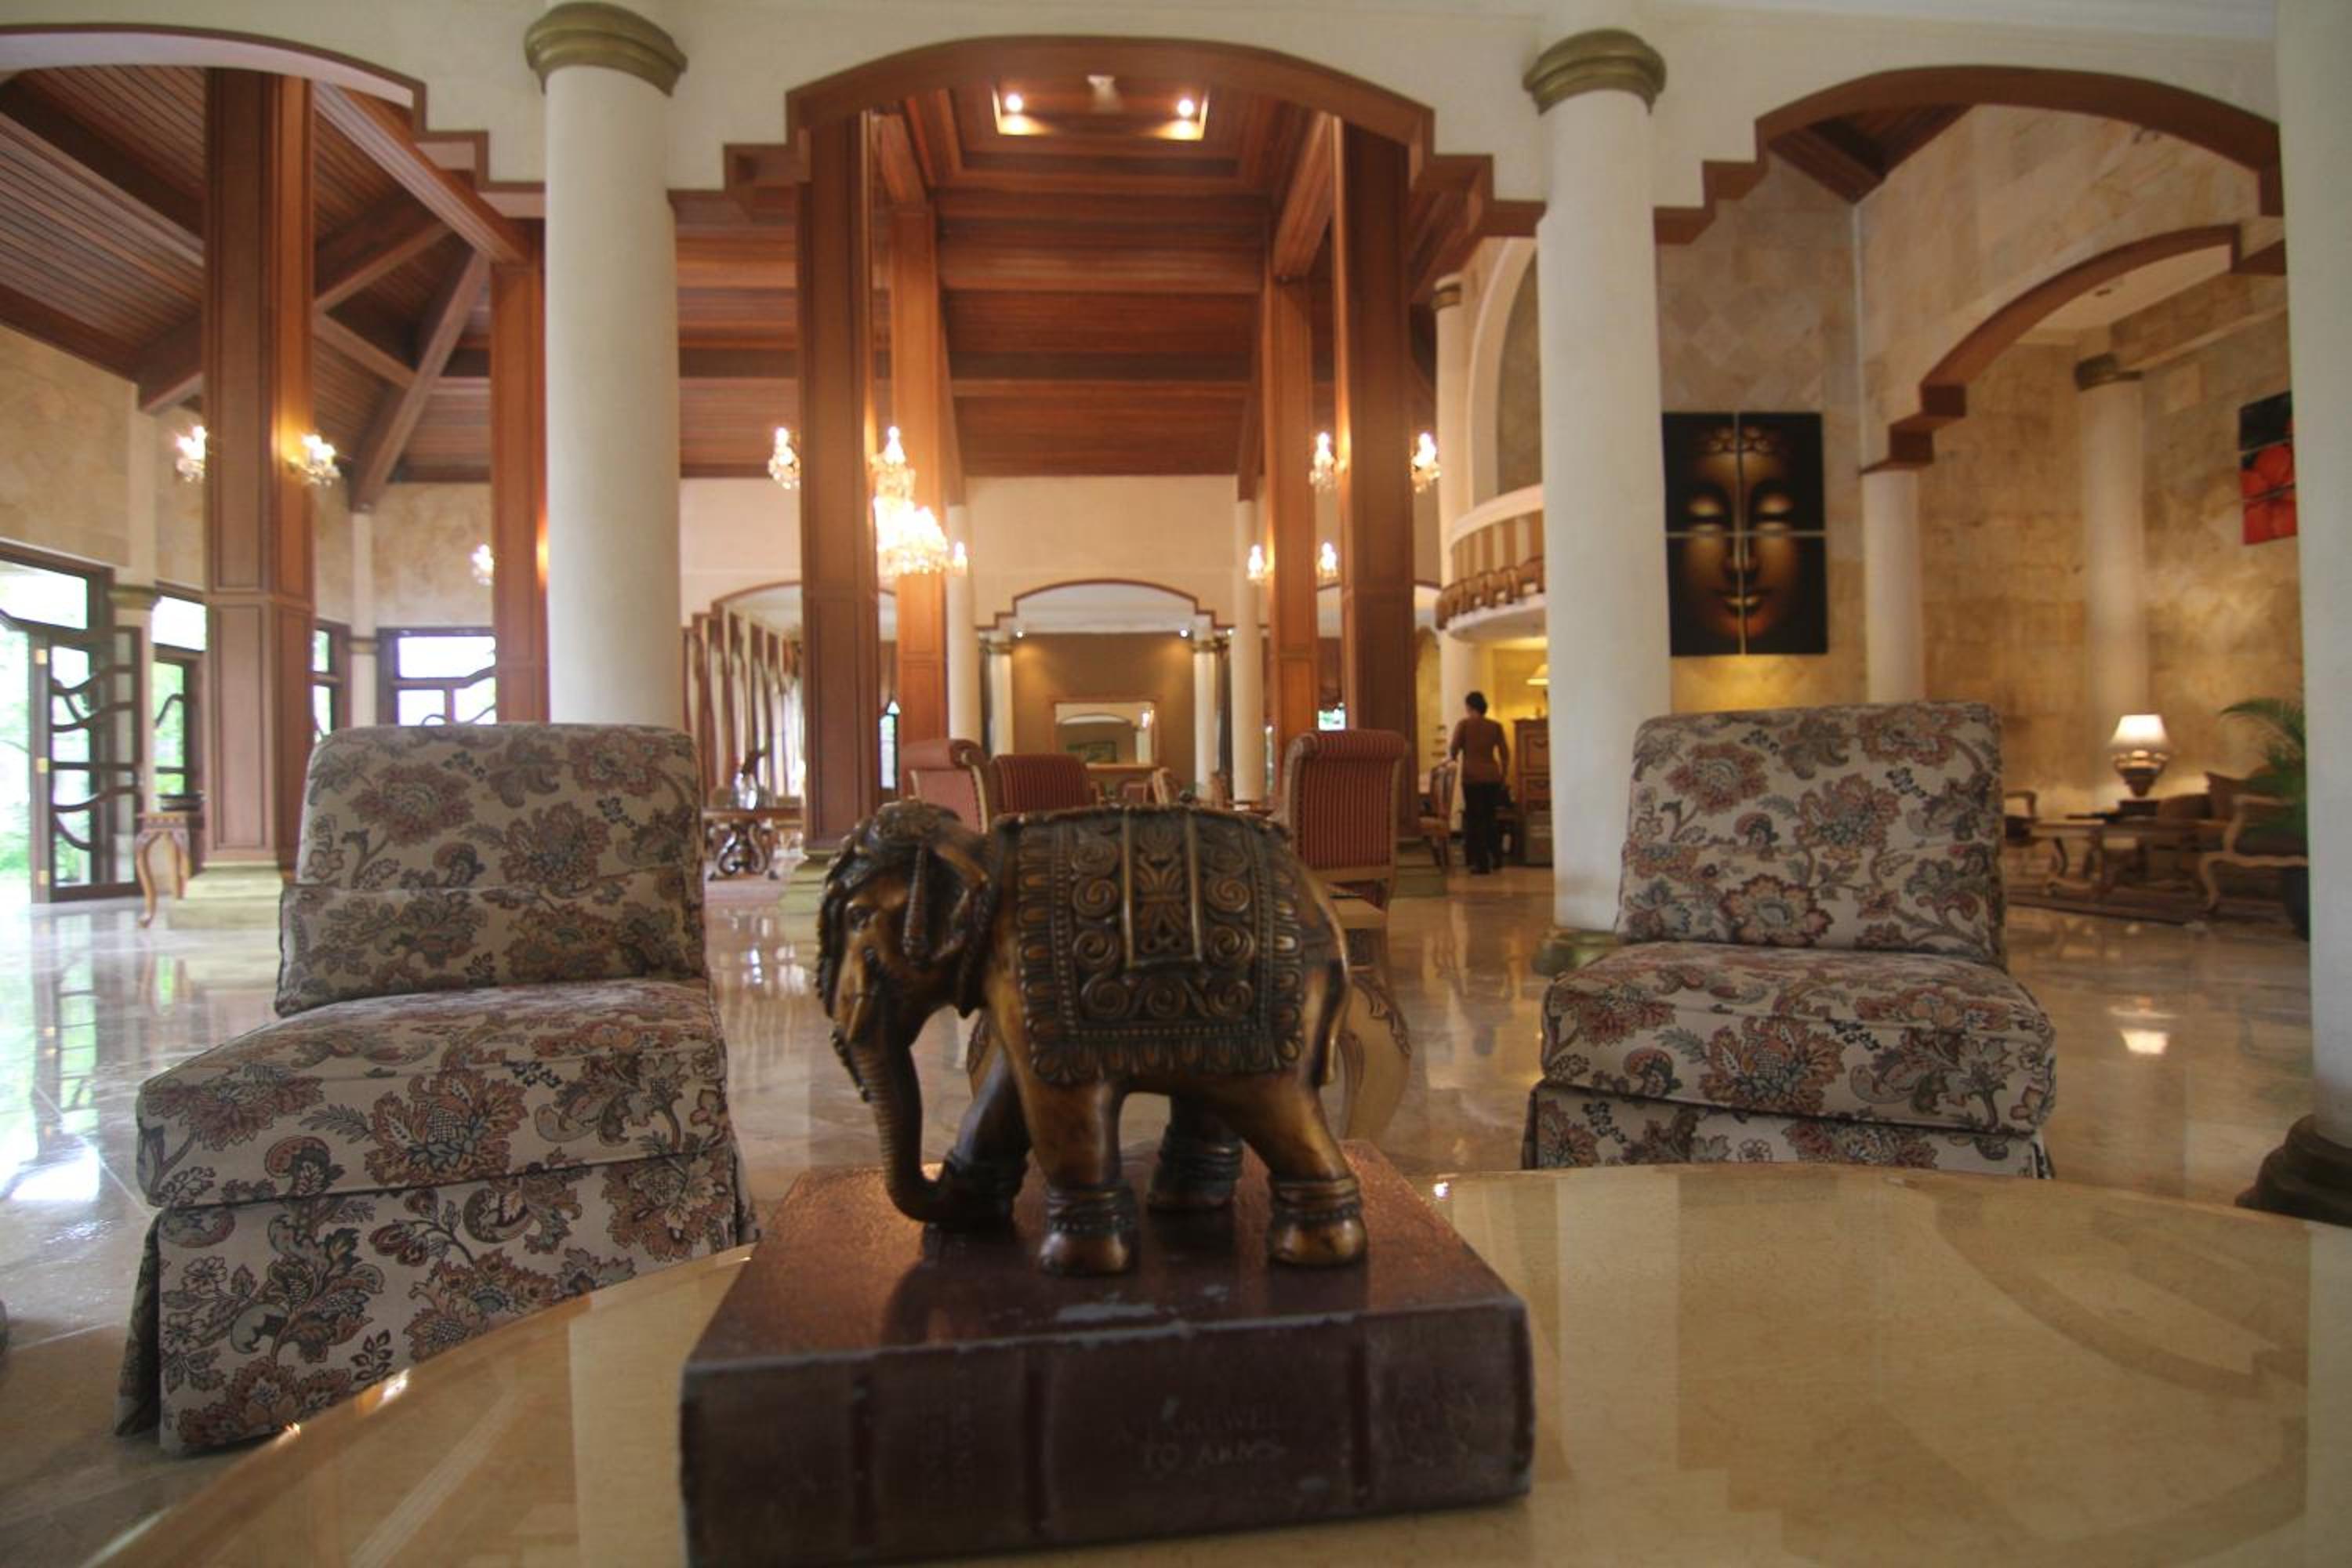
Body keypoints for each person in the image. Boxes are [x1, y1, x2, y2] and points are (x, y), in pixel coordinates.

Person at [1449, 692, 1509, 876]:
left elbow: (1454, 748)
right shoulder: (1495, 726)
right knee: (1491, 818)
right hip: (1492, 776)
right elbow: (1505, 752)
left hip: (1472, 777)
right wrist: (1503, 774)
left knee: (1475, 820)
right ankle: (1497, 858)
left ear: (1469, 706)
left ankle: (1481, 863)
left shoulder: (1464, 725)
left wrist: (1454, 757)